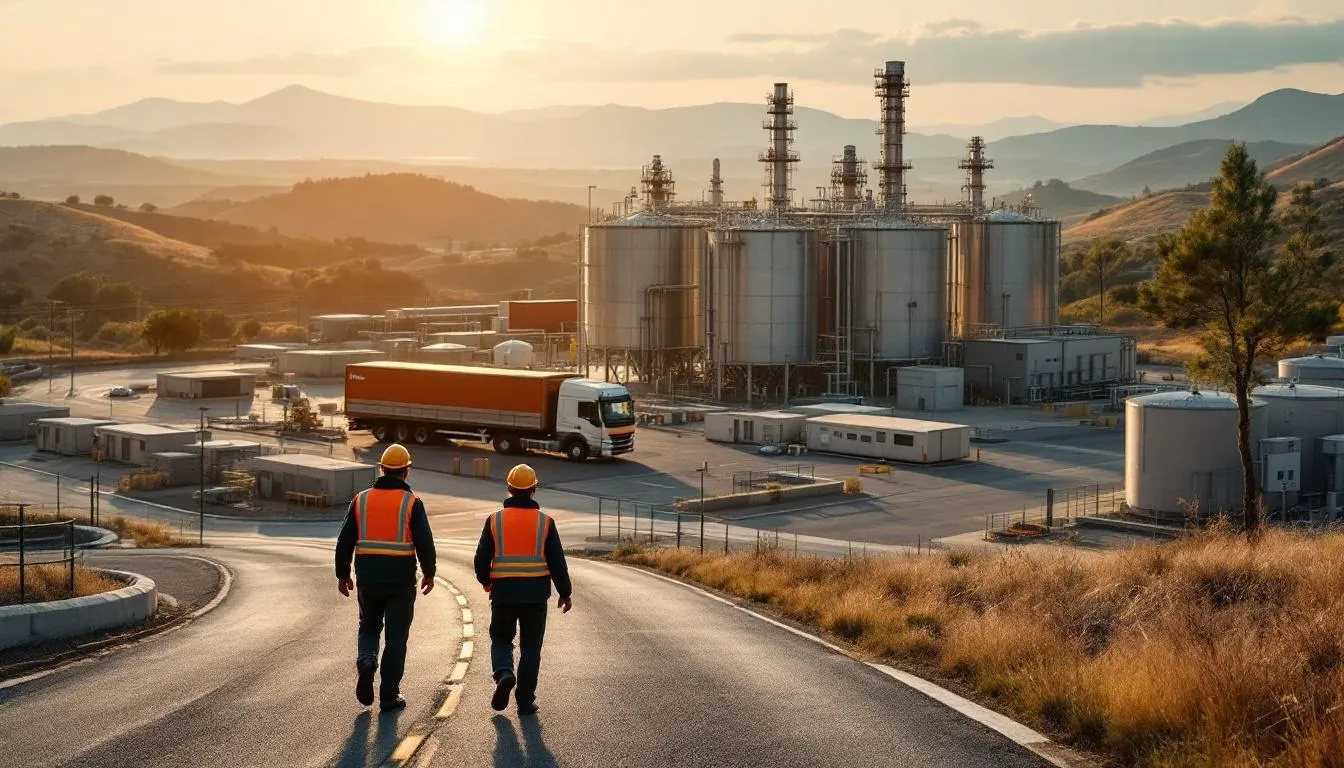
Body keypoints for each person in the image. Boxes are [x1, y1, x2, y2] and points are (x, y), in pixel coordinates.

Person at [335, 443, 436, 712]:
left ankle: (367, 660)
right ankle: (389, 696)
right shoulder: (412, 503)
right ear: (406, 471)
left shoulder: (361, 499)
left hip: (368, 579)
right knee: (396, 638)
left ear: (381, 469)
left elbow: (345, 540)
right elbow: (425, 542)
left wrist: (343, 574)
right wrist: (429, 572)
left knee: (368, 626)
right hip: (401, 581)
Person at [474, 463, 572, 716]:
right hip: (536, 594)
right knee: (531, 648)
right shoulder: (546, 522)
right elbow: (557, 561)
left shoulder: (494, 520)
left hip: (504, 592)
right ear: (534, 489)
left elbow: (481, 559)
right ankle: (525, 701)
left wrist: (486, 581)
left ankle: (504, 672)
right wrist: (565, 592)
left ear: (509, 488)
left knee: (501, 638)